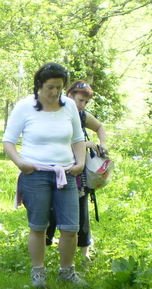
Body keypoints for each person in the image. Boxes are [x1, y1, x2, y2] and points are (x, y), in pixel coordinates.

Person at [1, 63, 87, 289]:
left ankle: (67, 272)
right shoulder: (25, 106)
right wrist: (20, 163)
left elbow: (78, 139)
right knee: (39, 226)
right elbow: (8, 141)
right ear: (39, 85)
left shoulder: (69, 106)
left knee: (71, 227)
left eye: (59, 87)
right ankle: (38, 272)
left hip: (66, 174)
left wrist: (80, 163)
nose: (54, 92)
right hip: (35, 174)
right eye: (50, 87)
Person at [45, 80, 109, 262]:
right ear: (69, 95)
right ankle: (44, 246)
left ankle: (84, 252)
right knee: (50, 211)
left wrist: (102, 144)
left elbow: (100, 127)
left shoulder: (81, 115)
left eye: (85, 102)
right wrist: (86, 144)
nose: (82, 105)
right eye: (80, 100)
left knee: (81, 210)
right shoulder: (57, 111)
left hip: (78, 172)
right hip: (55, 167)